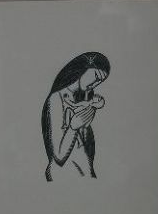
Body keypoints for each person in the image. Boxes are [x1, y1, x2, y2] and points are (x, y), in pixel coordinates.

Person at [41, 52, 110, 181]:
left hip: (84, 172)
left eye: (100, 81)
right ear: (82, 68)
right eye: (96, 76)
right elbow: (59, 156)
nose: (95, 83)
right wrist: (74, 126)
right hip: (63, 175)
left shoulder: (82, 99)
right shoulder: (56, 99)